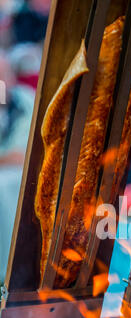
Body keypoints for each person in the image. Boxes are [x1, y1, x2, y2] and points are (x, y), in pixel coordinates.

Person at [0, 50, 35, 281]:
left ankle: (25, 263)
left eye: (5, 74)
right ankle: (7, 269)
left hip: (25, 169)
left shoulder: (25, 98)